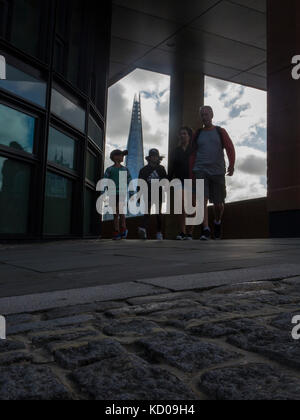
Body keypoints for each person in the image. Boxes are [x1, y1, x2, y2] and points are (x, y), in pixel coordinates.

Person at [190, 106, 236, 240]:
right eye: (202, 115)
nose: (204, 117)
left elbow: (230, 148)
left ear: (212, 115)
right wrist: (191, 172)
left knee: (219, 204)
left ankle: (217, 222)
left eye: (206, 114)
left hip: (217, 171)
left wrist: (232, 165)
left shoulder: (220, 131)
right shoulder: (197, 134)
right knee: (201, 200)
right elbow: (192, 155)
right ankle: (206, 229)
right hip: (200, 170)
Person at [138, 149, 168, 240]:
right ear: (149, 158)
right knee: (147, 212)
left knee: (159, 213)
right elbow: (140, 183)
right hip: (148, 193)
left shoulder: (161, 168)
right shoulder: (144, 170)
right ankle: (143, 229)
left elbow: (165, 180)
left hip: (159, 193)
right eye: (152, 156)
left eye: (156, 156)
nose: (154, 158)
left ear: (158, 158)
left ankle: (159, 232)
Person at [170, 127, 194, 240]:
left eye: (184, 133)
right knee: (182, 206)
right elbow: (173, 166)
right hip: (180, 181)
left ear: (189, 136)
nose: (182, 135)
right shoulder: (176, 150)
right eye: (180, 134)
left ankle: (190, 232)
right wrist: (169, 179)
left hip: (193, 180)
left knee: (193, 207)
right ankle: (182, 232)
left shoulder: (194, 149)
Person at [104, 149, 132, 240]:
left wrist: (131, 192)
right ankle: (117, 231)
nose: (122, 157)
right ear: (115, 157)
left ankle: (123, 228)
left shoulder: (125, 169)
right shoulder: (110, 169)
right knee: (115, 213)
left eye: (123, 156)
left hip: (121, 193)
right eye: (121, 155)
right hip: (112, 193)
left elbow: (129, 180)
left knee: (120, 211)